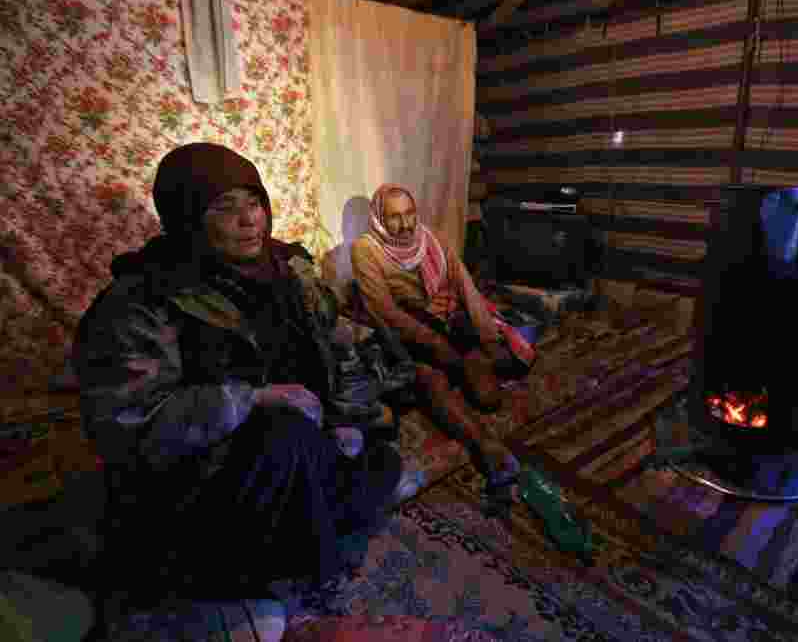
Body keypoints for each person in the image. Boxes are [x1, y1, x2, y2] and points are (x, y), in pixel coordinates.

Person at [73, 143, 421, 604]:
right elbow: (127, 424)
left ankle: (319, 505)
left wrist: (346, 408)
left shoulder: (286, 268)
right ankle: (291, 570)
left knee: (382, 442)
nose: (249, 220)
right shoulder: (144, 300)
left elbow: (326, 342)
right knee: (289, 438)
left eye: (254, 202)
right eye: (225, 207)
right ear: (187, 215)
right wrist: (251, 399)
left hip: (302, 435)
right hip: (208, 471)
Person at [350, 183, 532, 493]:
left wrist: (487, 337)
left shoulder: (432, 239)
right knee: (431, 379)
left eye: (409, 213)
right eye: (394, 217)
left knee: (488, 397)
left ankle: (463, 367)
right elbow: (385, 311)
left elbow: (465, 286)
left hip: (445, 323)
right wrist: (435, 344)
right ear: (379, 218)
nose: (405, 224)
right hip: (404, 335)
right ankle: (484, 445)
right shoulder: (366, 250)